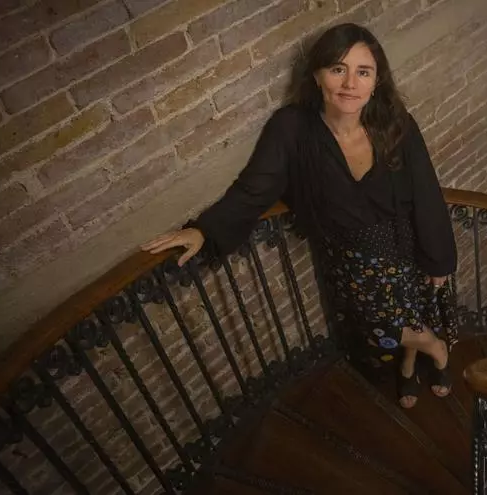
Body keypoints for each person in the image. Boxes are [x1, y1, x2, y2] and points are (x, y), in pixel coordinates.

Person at [141, 23, 457, 410]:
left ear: (377, 81)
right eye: (337, 69)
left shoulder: (396, 123)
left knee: (410, 312)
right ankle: (434, 348)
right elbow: (255, 188)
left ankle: (409, 363)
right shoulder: (292, 128)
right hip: (348, 260)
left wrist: (438, 258)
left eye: (363, 72)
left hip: (401, 244)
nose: (350, 83)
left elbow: (426, 191)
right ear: (317, 75)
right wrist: (204, 231)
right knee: (380, 326)